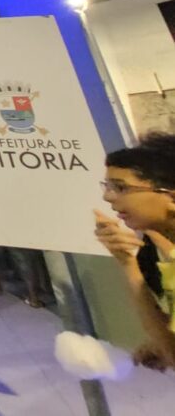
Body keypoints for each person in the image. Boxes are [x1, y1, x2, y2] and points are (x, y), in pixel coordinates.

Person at [95, 132, 175, 371]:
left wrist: (129, 267)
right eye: (107, 186)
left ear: (170, 196)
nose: (108, 197)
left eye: (121, 187)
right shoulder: (155, 254)